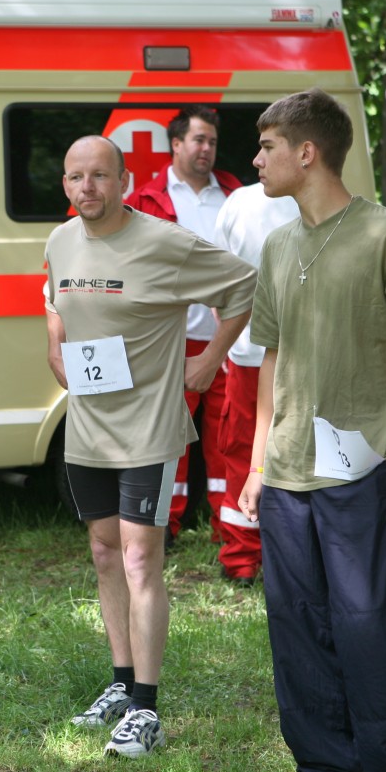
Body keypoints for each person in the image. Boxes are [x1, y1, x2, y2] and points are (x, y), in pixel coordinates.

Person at [238, 89, 386, 772]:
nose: (256, 158)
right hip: (287, 476)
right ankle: (327, 771)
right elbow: (273, 359)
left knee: (374, 628)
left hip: (364, 474)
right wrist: (258, 463)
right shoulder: (277, 245)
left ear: (307, 153)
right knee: (297, 627)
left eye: (267, 146)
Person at [46, 134, 256, 758]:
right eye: (76, 177)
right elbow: (53, 297)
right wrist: (53, 343)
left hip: (149, 428)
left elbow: (244, 285)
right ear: (65, 184)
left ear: (125, 181)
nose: (87, 187)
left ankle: (146, 708)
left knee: (141, 559)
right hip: (87, 428)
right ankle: (120, 682)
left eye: (100, 176)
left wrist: (211, 358)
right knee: (105, 553)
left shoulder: (165, 242)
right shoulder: (60, 240)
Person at [126, 106, 243, 543]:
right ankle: (164, 528)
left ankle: (230, 528)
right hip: (173, 341)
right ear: (175, 144)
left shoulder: (236, 195)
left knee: (228, 440)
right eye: (198, 140)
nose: (206, 149)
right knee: (169, 441)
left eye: (212, 141)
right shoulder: (147, 200)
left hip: (230, 340)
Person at [212, 183, 299, 583]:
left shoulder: (238, 203)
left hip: (250, 353)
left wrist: (228, 342)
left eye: (266, 152)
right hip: (295, 355)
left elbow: (220, 285)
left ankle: (242, 556)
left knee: (244, 450)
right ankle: (275, 554)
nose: (258, 159)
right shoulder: (324, 200)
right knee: (292, 453)